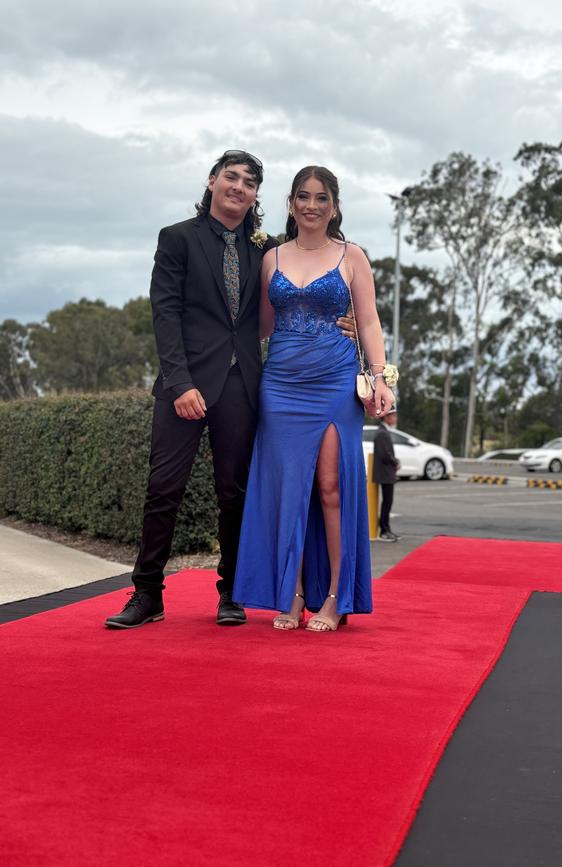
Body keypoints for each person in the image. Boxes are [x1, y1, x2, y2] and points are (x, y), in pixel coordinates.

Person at [105, 152, 354, 630]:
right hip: (186, 385)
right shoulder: (177, 238)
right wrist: (180, 382)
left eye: (249, 182)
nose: (239, 187)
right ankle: (147, 594)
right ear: (213, 182)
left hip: (244, 387)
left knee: (235, 493)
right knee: (164, 490)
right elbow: (166, 314)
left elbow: (290, 301)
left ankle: (232, 593)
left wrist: (338, 326)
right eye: (231, 177)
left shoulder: (267, 250)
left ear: (257, 195)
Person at [233, 166, 397, 632]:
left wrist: (381, 377)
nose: (311, 205)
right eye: (302, 197)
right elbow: (262, 326)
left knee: (329, 489)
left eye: (321, 198)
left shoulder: (352, 256)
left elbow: (369, 322)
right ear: (290, 204)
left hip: (333, 383)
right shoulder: (272, 258)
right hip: (280, 385)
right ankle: (294, 595)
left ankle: (334, 598)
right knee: (291, 493)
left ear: (334, 206)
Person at [373, 408, 401, 542]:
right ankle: (384, 530)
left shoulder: (383, 432)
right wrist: (396, 462)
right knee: (387, 502)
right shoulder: (382, 433)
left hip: (386, 472)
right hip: (385, 473)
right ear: (386, 417)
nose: (395, 419)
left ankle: (387, 528)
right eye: (393, 416)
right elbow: (385, 455)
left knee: (387, 502)